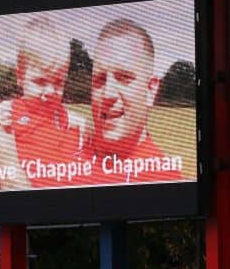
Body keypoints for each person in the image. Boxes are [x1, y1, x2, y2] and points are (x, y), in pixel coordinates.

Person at [0, 15, 86, 190]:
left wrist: (79, 129)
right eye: (40, 82)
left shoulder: (69, 120)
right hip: (20, 204)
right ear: (20, 76)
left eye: (59, 82)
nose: (51, 91)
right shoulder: (8, 112)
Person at [76, 18, 184, 185]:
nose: (108, 94)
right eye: (99, 79)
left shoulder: (163, 179)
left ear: (150, 90)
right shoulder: (66, 158)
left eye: (124, 77)